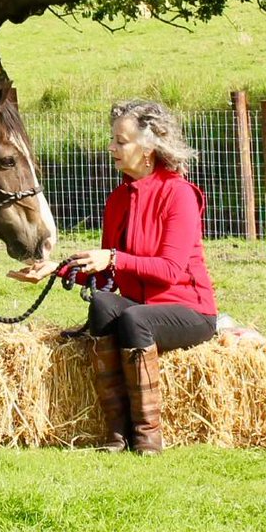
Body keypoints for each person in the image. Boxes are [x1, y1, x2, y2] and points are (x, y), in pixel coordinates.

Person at [26, 99, 217, 454]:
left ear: (148, 149)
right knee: (103, 304)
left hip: (189, 311)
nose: (111, 147)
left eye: (121, 141)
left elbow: (170, 270)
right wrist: (55, 269)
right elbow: (108, 272)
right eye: (113, 140)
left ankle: (147, 437)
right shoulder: (117, 200)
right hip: (140, 310)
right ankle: (115, 435)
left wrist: (113, 257)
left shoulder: (179, 195)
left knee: (133, 318)